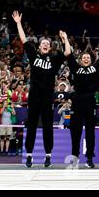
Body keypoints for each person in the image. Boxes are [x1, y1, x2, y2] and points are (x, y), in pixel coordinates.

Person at [12, 11, 71, 168]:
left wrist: (65, 39)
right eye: (43, 43)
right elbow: (24, 39)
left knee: (47, 126)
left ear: (50, 47)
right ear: (39, 46)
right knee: (31, 124)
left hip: (47, 96)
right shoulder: (33, 55)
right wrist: (18, 22)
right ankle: (30, 154)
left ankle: (48, 155)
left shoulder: (55, 58)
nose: (45, 44)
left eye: (47, 43)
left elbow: (67, 52)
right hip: (34, 95)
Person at [65, 39, 99, 169]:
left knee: (90, 131)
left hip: (90, 101)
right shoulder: (76, 68)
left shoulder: (95, 68)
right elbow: (68, 54)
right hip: (77, 100)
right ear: (80, 60)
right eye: (84, 57)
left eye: (88, 57)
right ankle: (75, 157)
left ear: (91, 59)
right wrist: (65, 39)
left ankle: (89, 158)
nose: (86, 59)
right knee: (75, 131)